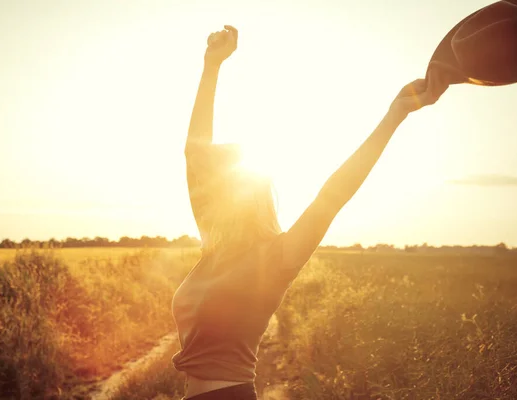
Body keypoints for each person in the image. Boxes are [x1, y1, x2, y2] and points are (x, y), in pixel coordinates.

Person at [172, 25, 450, 400]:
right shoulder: (213, 250)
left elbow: (332, 196)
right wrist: (211, 66)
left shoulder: (277, 257)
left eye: (215, 180)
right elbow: (194, 153)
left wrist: (394, 116)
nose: (204, 185)